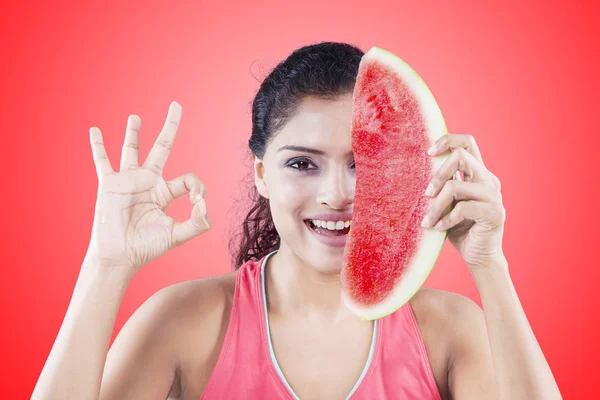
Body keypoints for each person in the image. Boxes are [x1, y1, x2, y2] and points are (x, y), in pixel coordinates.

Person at [32, 42, 561, 399]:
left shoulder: (449, 331)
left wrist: (489, 265)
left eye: (365, 163)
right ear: (261, 174)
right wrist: (105, 266)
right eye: (302, 164)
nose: (336, 194)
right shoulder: (184, 322)